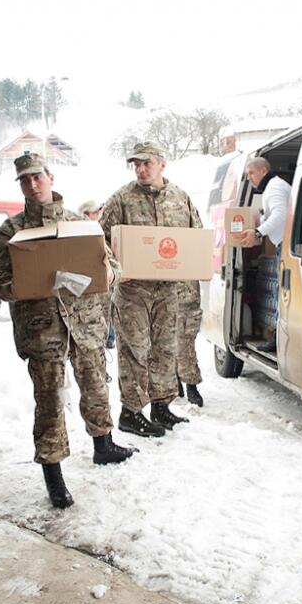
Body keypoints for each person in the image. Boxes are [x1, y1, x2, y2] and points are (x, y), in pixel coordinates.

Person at [0, 153, 135, 510]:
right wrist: (30, 282)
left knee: (96, 386)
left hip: (84, 325)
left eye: (37, 177)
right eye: (25, 180)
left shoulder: (80, 224)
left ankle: (104, 445)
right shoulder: (12, 232)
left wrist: (98, 277)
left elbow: (113, 269)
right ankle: (53, 474)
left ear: (50, 177)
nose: (32, 184)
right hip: (43, 331)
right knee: (50, 400)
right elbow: (0, 285)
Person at [99, 140, 203, 436]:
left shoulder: (180, 198)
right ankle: (130, 412)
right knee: (135, 349)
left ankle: (161, 405)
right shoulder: (122, 199)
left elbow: (196, 236)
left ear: (162, 164)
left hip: (169, 290)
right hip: (133, 292)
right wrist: (116, 267)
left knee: (165, 348)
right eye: (136, 164)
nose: (141, 169)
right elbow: (99, 240)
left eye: (147, 163)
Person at [241, 156, 292, 352]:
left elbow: (280, 215)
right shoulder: (274, 186)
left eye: (251, 173)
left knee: (283, 294)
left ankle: (278, 341)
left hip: (285, 248)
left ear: (263, 171)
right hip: (283, 245)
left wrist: (258, 232)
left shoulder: (274, 187)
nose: (250, 178)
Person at [78, 200, 115, 351]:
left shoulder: (97, 230)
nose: (100, 214)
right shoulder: (83, 231)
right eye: (96, 211)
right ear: (86, 214)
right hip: (91, 294)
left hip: (103, 291)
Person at [175, 280, 204, 406]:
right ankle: (176, 379)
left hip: (187, 296)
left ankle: (190, 384)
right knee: (167, 342)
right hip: (168, 290)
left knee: (185, 344)